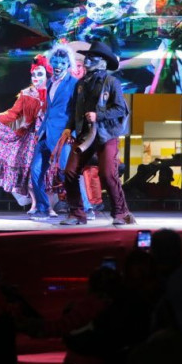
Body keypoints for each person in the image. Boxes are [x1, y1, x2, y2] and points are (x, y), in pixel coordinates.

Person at [61, 40, 134, 226]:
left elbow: (121, 109)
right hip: (84, 135)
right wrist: (69, 128)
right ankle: (77, 214)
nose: (87, 60)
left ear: (102, 61)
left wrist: (98, 115)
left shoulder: (112, 82)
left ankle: (121, 213)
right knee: (69, 172)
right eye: (87, 57)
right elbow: (74, 110)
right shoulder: (80, 84)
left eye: (92, 58)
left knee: (108, 174)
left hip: (105, 135)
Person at [0, 56, 50, 209]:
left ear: (47, 75)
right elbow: (12, 114)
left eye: (39, 74)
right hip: (30, 136)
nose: (36, 78)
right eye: (33, 74)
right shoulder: (26, 94)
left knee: (50, 170)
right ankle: (34, 203)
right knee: (29, 171)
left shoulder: (53, 91)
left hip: (50, 135)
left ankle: (51, 204)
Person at [29, 41, 79, 220]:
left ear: (68, 65)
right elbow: (49, 111)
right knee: (35, 172)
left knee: (66, 172)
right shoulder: (50, 83)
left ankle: (83, 207)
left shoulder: (74, 83)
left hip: (62, 135)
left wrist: (71, 132)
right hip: (44, 134)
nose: (58, 66)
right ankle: (43, 208)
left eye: (62, 63)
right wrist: (39, 131)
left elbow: (75, 111)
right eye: (55, 62)